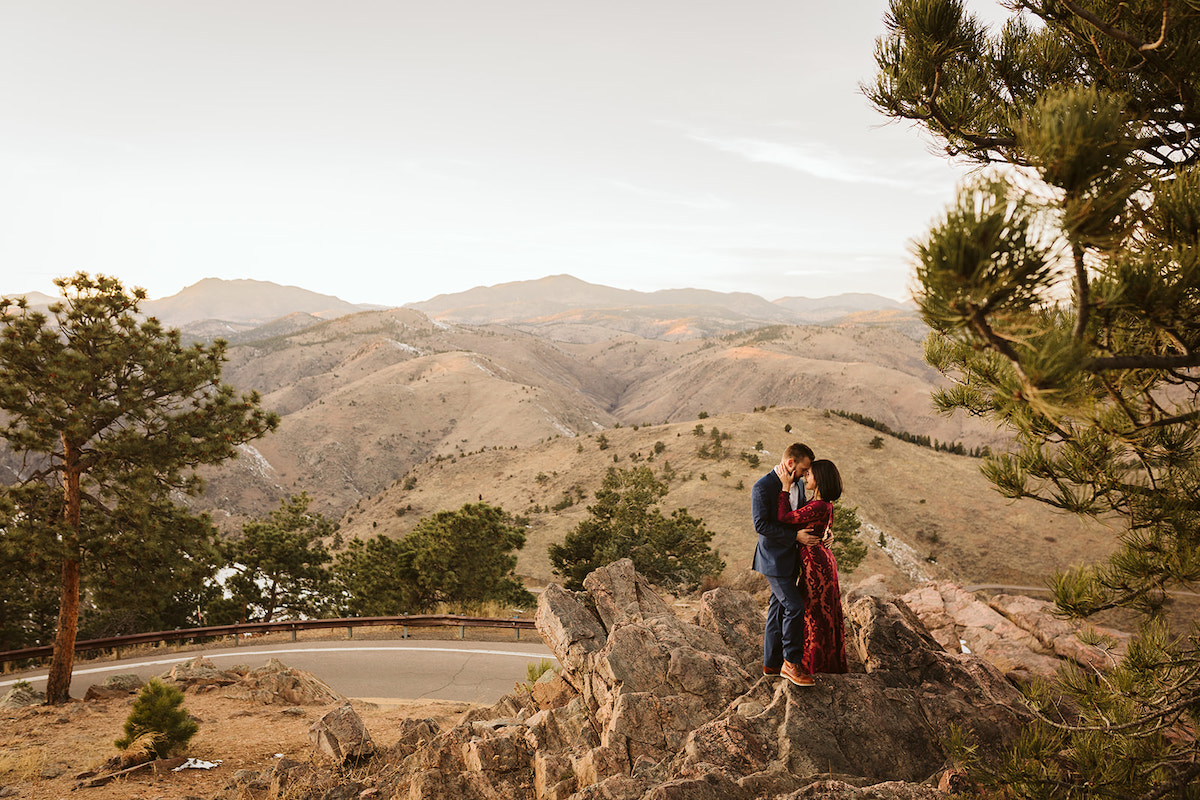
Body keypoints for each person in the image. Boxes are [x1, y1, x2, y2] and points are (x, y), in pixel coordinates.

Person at [751, 442, 821, 687]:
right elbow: (761, 526)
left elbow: (797, 516)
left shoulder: (798, 485)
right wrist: (795, 537)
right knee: (795, 607)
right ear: (791, 463)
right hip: (773, 560)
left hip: (792, 559)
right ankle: (791, 664)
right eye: (803, 469)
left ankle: (771, 663)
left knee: (777, 608)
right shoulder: (762, 486)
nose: (804, 474)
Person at [778, 459, 849, 676]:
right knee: (820, 615)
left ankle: (815, 667)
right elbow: (824, 530)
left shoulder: (818, 505)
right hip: (821, 561)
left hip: (816, 566)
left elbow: (783, 518)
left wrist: (784, 488)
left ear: (820, 479)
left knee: (814, 615)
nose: (806, 477)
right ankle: (822, 664)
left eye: (809, 474)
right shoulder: (823, 504)